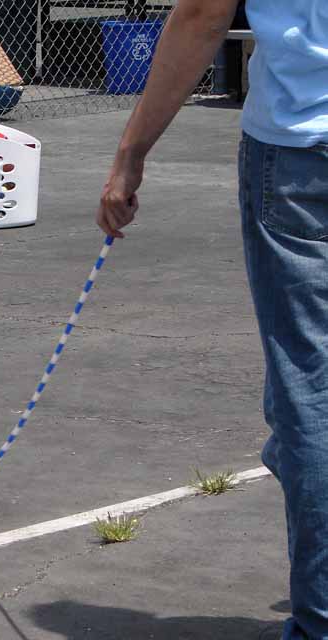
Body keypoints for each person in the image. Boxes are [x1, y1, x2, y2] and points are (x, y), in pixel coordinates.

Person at [96, 0, 328, 637]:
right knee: (304, 404)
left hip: (302, 147)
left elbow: (202, 13)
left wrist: (131, 152)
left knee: (310, 393)